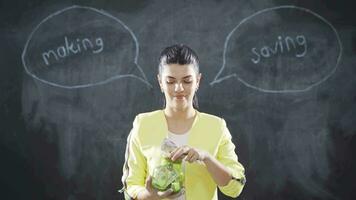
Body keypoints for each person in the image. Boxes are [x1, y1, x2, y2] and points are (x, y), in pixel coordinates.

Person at [121, 44, 246, 200]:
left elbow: (235, 187)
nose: (179, 88)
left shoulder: (216, 126)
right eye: (170, 81)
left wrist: (206, 157)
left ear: (198, 81)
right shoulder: (143, 124)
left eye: (187, 81)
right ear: (160, 82)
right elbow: (130, 185)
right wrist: (148, 196)